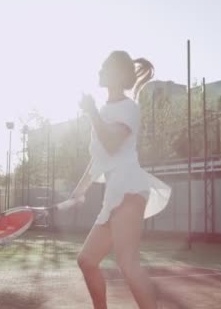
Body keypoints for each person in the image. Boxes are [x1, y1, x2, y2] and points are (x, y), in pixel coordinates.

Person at [71, 51, 172, 309]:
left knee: (127, 263)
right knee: (87, 260)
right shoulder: (104, 111)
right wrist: (79, 190)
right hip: (114, 193)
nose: (99, 70)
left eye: (104, 66)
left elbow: (113, 144)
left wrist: (92, 112)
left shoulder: (129, 108)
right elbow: (99, 158)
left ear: (116, 73)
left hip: (130, 189)